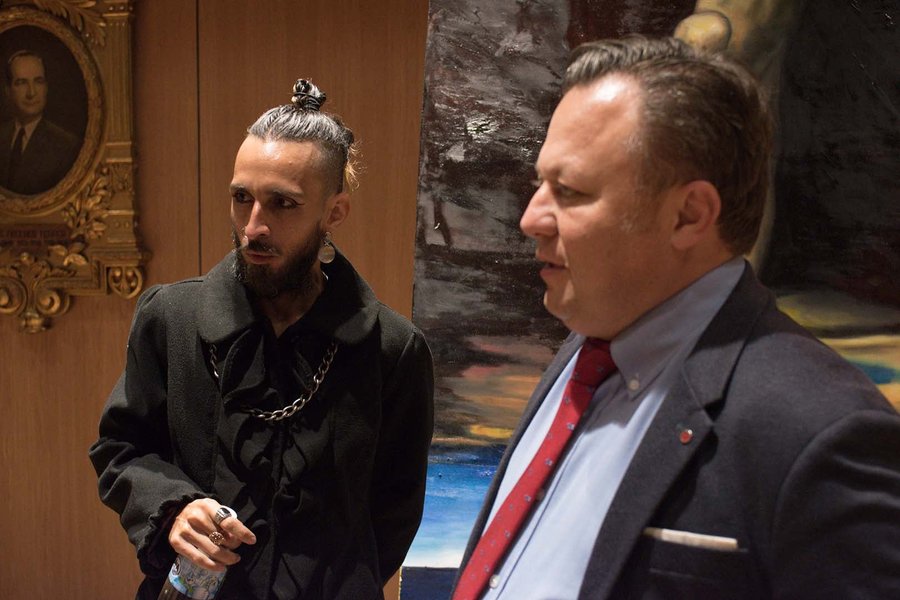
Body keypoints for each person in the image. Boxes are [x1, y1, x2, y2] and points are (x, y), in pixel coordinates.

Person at [452, 36, 900, 599]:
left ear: (689, 215)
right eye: (539, 184)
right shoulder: (588, 352)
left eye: (570, 191)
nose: (530, 218)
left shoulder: (820, 430)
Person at [90, 79, 435, 599]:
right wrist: (175, 508)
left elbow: (395, 509)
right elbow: (120, 449)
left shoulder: (392, 349)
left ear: (334, 213)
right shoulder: (171, 319)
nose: (254, 226)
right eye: (241, 198)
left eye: (282, 204)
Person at [0, 50, 80, 195]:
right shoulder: (2, 135)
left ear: (46, 88)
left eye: (38, 81)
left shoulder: (67, 146)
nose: (31, 93)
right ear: (8, 91)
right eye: (22, 83)